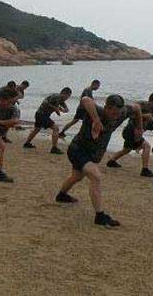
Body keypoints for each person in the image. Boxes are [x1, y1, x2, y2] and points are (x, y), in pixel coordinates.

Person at [55, 95, 143, 227]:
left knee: (77, 176)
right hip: (77, 150)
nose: (115, 116)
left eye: (118, 113)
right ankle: (100, 216)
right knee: (96, 176)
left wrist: (138, 127)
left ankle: (61, 195)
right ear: (106, 107)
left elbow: (137, 107)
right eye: (113, 112)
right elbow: (85, 99)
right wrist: (96, 120)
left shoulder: (122, 112)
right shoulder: (98, 112)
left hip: (93, 154)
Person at [106, 92, 153, 177]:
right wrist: (145, 116)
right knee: (147, 146)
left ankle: (111, 161)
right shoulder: (143, 104)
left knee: (127, 149)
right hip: (131, 130)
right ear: (152, 101)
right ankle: (145, 170)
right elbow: (132, 113)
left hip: (133, 131)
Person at [23, 87, 72, 154]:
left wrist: (64, 109)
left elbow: (62, 105)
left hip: (39, 114)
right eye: (68, 96)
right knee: (56, 128)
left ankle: (27, 143)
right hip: (42, 115)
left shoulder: (59, 98)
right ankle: (54, 148)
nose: (67, 98)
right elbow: (46, 103)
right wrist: (57, 109)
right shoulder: (56, 97)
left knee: (37, 129)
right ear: (64, 93)